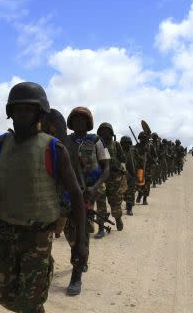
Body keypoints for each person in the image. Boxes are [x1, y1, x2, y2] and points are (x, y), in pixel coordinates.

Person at [0, 82, 86, 312]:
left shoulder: (53, 148)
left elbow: (76, 195)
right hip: (4, 233)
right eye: (17, 109)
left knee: (29, 302)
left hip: (37, 237)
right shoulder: (0, 145)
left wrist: (80, 244)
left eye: (28, 110)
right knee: (1, 293)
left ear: (39, 113)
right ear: (10, 112)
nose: (21, 115)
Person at [64, 107, 110, 295]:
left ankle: (77, 275)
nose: (79, 123)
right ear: (71, 122)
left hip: (89, 192)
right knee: (69, 232)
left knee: (80, 230)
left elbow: (106, 168)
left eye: (83, 120)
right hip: (68, 192)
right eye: (76, 120)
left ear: (88, 123)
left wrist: (94, 187)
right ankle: (81, 255)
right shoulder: (65, 140)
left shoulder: (96, 141)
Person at [96, 123, 126, 232]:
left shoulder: (116, 144)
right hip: (101, 179)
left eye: (107, 131)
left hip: (114, 178)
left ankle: (118, 218)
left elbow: (123, 158)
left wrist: (122, 167)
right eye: (102, 131)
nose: (105, 133)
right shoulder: (97, 145)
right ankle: (100, 227)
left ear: (111, 132)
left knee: (115, 201)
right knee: (100, 203)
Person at [119, 136, 138, 216]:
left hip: (132, 174)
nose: (126, 145)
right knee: (121, 192)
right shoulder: (119, 152)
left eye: (128, 143)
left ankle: (129, 208)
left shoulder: (133, 151)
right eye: (124, 143)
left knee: (130, 192)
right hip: (122, 174)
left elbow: (138, 159)